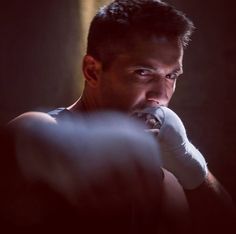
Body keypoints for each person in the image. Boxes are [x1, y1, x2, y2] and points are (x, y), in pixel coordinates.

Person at [3, 0, 235, 233]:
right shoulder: (41, 133)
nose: (161, 96)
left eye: (171, 76)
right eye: (143, 72)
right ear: (92, 71)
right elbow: (21, 139)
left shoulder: (163, 176)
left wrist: (191, 165)